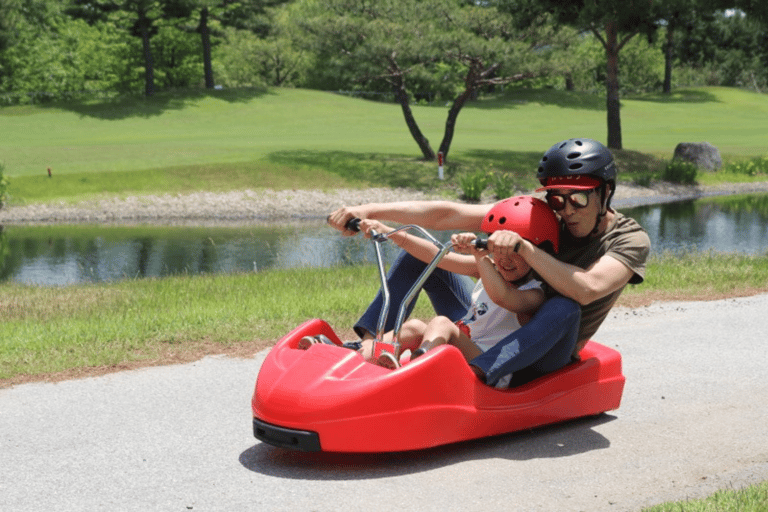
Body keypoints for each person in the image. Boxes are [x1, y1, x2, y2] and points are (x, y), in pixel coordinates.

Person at [327, 138, 650, 387]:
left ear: (605, 192)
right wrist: (367, 211)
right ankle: (366, 347)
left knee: (565, 308)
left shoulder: (629, 239)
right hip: (487, 325)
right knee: (422, 255)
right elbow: (448, 214)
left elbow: (587, 289)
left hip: (541, 347)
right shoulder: (541, 211)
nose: (566, 209)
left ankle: (475, 376)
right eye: (557, 198)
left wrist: (523, 248)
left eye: (578, 198)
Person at [367, 197, 559, 384]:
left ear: (537, 253)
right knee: (414, 327)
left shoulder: (535, 294)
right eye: (497, 249)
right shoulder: (490, 268)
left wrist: (479, 255)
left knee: (442, 323)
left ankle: (417, 376)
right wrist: (390, 233)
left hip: (489, 366)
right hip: (466, 348)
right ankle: (363, 359)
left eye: (515, 252)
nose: (505, 259)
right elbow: (439, 258)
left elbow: (503, 297)